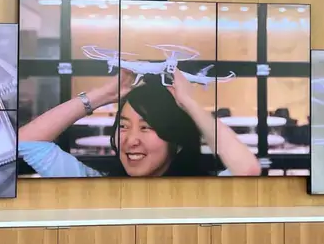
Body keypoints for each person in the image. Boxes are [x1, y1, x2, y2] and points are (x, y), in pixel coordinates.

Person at [17, 68, 262, 178]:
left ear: (176, 142)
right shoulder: (96, 187)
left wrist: (190, 104)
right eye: (123, 126)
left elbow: (247, 170)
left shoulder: (203, 192)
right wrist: (103, 95)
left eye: (146, 127)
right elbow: (28, 141)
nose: (131, 140)